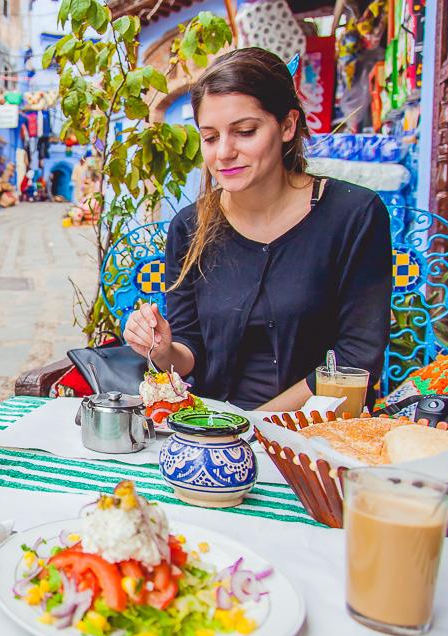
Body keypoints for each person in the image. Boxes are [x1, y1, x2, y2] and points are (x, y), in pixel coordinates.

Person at [123, 47, 391, 411]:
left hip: (318, 434)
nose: (223, 153)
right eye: (210, 137)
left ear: (287, 125)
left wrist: (255, 426)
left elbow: (356, 358)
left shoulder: (353, 215)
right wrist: (162, 348)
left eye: (244, 132)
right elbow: (190, 352)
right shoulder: (190, 227)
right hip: (213, 433)